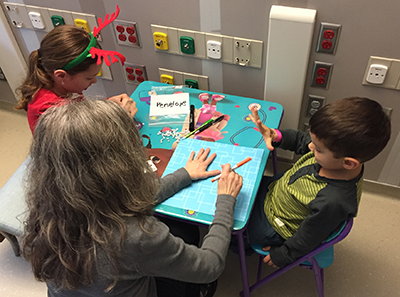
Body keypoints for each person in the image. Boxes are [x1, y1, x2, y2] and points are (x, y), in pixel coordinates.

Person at [21, 99, 243, 297]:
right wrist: (225, 202)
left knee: (181, 232)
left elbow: (131, 201)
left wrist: (183, 175)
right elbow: (210, 266)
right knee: (187, 233)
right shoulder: (136, 237)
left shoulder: (48, 204)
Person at [246, 97, 391, 268]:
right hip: (276, 192)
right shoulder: (334, 154)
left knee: (237, 224)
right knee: (245, 185)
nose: (310, 147)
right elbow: (302, 140)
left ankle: (240, 243)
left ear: (349, 163)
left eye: (318, 149)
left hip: (277, 224)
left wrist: (284, 255)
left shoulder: (333, 200)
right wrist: (275, 135)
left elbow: (309, 237)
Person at [15, 24, 137, 133]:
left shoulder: (64, 88)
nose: (94, 81)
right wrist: (121, 118)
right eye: (89, 78)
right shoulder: (49, 112)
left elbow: (81, 109)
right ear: (61, 75)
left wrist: (107, 105)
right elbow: (84, 141)